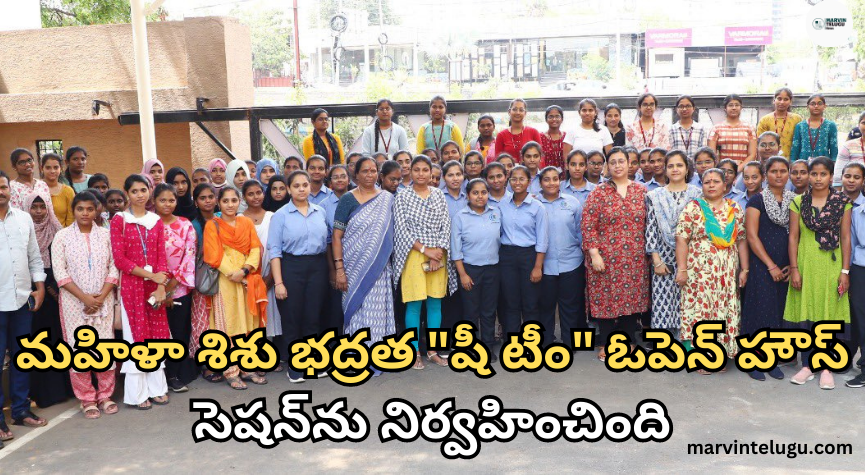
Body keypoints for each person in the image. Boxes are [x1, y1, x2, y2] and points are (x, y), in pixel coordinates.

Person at [784, 157, 851, 389]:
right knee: (807, 314)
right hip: (806, 265)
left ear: (832, 176)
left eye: (823, 174)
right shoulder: (798, 201)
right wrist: (794, 268)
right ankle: (807, 366)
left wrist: (845, 271)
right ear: (809, 176)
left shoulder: (842, 202)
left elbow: (845, 238)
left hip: (832, 267)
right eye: (814, 174)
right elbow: (793, 236)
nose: (818, 178)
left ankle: (827, 367)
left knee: (829, 315)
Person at [52, 191, 119, 419]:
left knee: (104, 348)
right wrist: (85, 298)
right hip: (74, 303)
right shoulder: (61, 237)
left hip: (103, 301)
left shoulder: (106, 235)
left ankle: (105, 395)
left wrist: (100, 297)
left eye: (90, 209)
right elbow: (60, 273)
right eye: (80, 209)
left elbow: (114, 267)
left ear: (96, 210)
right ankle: (87, 399)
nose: (85, 213)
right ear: (74, 210)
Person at [675, 168, 748, 373]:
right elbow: (681, 239)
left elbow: (741, 240)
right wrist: (682, 269)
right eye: (707, 182)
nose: (712, 185)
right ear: (702, 185)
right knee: (702, 312)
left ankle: (721, 353)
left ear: (726, 185)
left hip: (726, 273)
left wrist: (745, 269)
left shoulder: (735, 209)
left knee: (723, 310)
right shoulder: (694, 208)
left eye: (716, 181)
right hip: (699, 272)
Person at [582, 147, 650, 361]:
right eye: (613, 162)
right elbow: (588, 225)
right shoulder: (598, 193)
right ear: (607, 167)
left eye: (622, 161)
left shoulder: (642, 191)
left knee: (632, 300)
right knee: (605, 301)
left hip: (635, 257)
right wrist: (594, 254)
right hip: (605, 258)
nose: (618, 165)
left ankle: (629, 341)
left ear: (629, 164)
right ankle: (606, 342)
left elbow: (650, 224)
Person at [110, 174, 170, 409]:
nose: (139, 194)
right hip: (132, 286)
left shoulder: (155, 220)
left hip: (154, 287)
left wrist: (161, 285)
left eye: (143, 190)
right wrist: (150, 276)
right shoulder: (119, 220)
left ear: (149, 192)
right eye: (134, 191)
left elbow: (161, 257)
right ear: (127, 194)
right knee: (136, 337)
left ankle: (157, 388)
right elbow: (120, 259)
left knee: (156, 335)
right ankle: (137, 393)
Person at [332, 158, 397, 376]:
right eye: (364, 171)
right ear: (356, 175)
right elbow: (337, 236)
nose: (369, 175)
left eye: (373, 171)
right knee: (355, 309)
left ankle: (377, 356)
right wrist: (339, 270)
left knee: (378, 310)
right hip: (352, 266)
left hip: (379, 266)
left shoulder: (387, 199)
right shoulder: (348, 200)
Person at [393, 156, 457, 369]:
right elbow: (401, 229)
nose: (421, 174)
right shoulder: (402, 197)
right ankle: (414, 353)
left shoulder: (438, 195)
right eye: (416, 170)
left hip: (438, 255)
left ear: (431, 173)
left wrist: (438, 251)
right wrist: (425, 250)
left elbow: (446, 224)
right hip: (414, 254)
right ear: (409, 172)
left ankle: (433, 351)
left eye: (425, 170)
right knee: (414, 305)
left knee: (435, 304)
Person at [267, 172, 330, 383]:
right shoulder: (281, 216)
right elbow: (274, 252)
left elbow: (328, 243)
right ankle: (295, 366)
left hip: (317, 266)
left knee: (313, 316)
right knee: (292, 317)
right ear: (289, 189)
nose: (302, 189)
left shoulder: (320, 212)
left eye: (305, 185)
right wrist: (279, 283)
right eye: (296, 185)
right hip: (291, 267)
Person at [203, 187, 268, 389]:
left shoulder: (246, 222)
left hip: (247, 280)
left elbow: (255, 248)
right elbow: (214, 256)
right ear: (218, 203)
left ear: (239, 202)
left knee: (247, 324)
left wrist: (246, 270)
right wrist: (236, 275)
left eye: (234, 200)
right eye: (226, 201)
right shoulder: (212, 225)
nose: (230, 205)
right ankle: (231, 371)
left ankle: (247, 368)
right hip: (226, 283)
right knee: (228, 326)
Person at [0, 171, 48, 440]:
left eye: (3, 187)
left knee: (22, 359)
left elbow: (34, 257)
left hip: (21, 300)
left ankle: (20, 411)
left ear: (9, 189)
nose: (1, 191)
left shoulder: (23, 218)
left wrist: (39, 287)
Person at [742, 156, 794, 381]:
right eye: (774, 171)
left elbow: (796, 236)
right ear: (766, 175)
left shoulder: (795, 200)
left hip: (785, 265)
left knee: (777, 313)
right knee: (758, 311)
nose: (779, 175)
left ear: (788, 173)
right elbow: (752, 237)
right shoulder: (757, 201)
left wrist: (793, 266)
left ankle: (771, 360)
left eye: (783, 171)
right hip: (762, 264)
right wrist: (770, 265)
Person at [645, 151, 702, 337]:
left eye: (679, 165)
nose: (675, 169)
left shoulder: (699, 194)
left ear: (687, 169)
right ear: (665, 170)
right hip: (663, 257)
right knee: (664, 303)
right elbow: (651, 228)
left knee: (689, 302)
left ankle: (689, 344)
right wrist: (656, 260)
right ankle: (666, 347)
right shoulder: (654, 196)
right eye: (671, 166)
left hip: (692, 257)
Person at [24, 189, 71, 409]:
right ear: (27, 208)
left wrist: (55, 290)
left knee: (58, 340)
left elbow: (63, 262)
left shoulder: (57, 231)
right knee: (37, 342)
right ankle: (42, 393)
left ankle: (63, 390)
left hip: (57, 293)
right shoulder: (22, 230)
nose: (39, 211)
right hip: (32, 293)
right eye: (34, 207)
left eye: (43, 206)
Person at [149, 183, 199, 393]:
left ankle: (174, 375)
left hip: (179, 289)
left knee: (178, 332)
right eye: (162, 200)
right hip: (152, 289)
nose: (167, 204)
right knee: (156, 334)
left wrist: (169, 290)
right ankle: (155, 377)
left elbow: (188, 258)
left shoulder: (186, 225)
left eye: (171, 200)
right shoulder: (149, 225)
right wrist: (160, 288)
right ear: (154, 202)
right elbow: (147, 259)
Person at [451, 178, 501, 355]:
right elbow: (456, 249)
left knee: (488, 310)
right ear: (468, 195)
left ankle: (487, 345)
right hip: (470, 269)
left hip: (492, 269)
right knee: (471, 311)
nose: (480, 196)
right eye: (475, 193)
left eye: (483, 192)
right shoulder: (460, 217)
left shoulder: (496, 212)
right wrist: (463, 274)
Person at [537, 166, 585, 346]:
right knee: (546, 306)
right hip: (544, 265)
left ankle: (569, 341)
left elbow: (580, 231)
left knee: (570, 306)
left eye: (555, 179)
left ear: (560, 181)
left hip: (571, 262)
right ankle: (546, 340)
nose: (551, 183)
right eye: (547, 179)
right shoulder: (535, 204)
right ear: (541, 183)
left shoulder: (572, 202)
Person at [498, 165, 547, 337]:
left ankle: (531, 343)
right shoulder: (502, 205)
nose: (517, 182)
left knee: (530, 303)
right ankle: (512, 343)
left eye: (521, 179)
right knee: (511, 302)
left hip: (529, 256)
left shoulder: (537, 207)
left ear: (529, 181)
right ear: (509, 181)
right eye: (514, 179)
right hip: (507, 256)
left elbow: (542, 239)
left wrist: (537, 267)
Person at [188, 183, 219, 377]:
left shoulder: (222, 219)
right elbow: (192, 256)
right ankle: (207, 365)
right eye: (203, 198)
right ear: (196, 202)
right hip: (204, 279)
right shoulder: (194, 225)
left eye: (210, 197)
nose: (207, 201)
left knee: (219, 322)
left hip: (223, 277)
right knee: (204, 323)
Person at [708, 94, 757, 170]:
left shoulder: (749, 128)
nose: (734, 108)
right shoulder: (716, 129)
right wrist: (722, 170)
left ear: (741, 108)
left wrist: (738, 170)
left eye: (737, 105)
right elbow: (711, 155)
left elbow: (752, 154)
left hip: (743, 172)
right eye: (730, 105)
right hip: (722, 171)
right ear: (725, 108)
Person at [790, 93, 838, 162]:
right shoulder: (800, 126)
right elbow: (795, 148)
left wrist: (833, 164)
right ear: (807, 107)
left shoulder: (831, 125)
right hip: (803, 164)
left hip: (824, 164)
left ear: (824, 106)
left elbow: (834, 149)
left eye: (819, 103)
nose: (816, 106)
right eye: (812, 104)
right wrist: (793, 162)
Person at [757, 87, 802, 159]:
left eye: (786, 99)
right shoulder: (765, 120)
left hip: (792, 161)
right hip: (769, 160)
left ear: (790, 102)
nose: (782, 102)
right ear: (774, 100)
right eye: (779, 99)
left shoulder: (797, 119)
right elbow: (760, 144)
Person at [41, 153, 75, 227]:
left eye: (56, 167)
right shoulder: (36, 188)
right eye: (48, 168)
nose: (52, 171)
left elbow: (71, 218)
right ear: (42, 168)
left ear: (61, 169)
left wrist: (64, 235)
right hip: (39, 235)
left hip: (63, 234)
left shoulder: (68, 191)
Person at [835, 112, 865, 188]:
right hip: (854, 193)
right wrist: (838, 198)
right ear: (858, 125)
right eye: (864, 123)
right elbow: (838, 178)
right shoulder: (848, 146)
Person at [540, 105, 570, 170]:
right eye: (551, 117)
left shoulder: (567, 136)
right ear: (546, 119)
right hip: (546, 175)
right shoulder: (540, 137)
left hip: (565, 174)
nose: (554, 119)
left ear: (562, 119)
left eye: (557, 116)